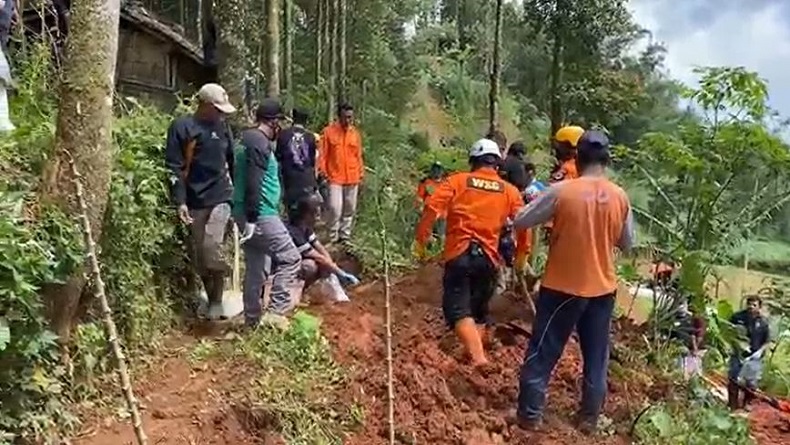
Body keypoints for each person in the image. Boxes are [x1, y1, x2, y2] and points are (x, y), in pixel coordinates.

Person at [512, 130, 634, 434]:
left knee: (543, 352)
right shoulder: (619, 196)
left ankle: (529, 415)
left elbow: (522, 220)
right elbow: (628, 244)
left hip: (562, 286)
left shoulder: (562, 191)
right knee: (596, 356)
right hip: (602, 290)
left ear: (577, 158)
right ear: (606, 160)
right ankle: (589, 418)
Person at [414, 138, 529, 367]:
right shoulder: (510, 191)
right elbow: (525, 222)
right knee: (478, 312)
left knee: (457, 311)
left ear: (473, 161)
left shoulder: (457, 181)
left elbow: (431, 207)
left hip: (460, 254)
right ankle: (477, 350)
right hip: (488, 260)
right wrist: (521, 257)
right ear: (497, 164)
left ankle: (479, 360)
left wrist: (421, 241)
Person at [165, 83, 236, 320]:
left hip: (221, 196)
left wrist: (238, 198)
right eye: (217, 109)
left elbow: (232, 162)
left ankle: (221, 290)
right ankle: (214, 299)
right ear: (204, 105)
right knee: (200, 257)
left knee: (211, 246)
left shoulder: (224, 128)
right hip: (195, 200)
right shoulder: (183, 128)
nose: (221, 114)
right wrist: (181, 201)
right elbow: (174, 167)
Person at [233, 99, 303, 329]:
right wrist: (253, 217)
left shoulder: (246, 140)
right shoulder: (258, 144)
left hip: (248, 212)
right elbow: (254, 180)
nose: (280, 128)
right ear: (273, 122)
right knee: (291, 257)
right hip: (260, 213)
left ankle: (251, 320)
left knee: (256, 267)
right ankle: (275, 312)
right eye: (279, 123)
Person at [285, 195, 360, 291]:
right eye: (316, 214)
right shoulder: (294, 231)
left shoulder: (306, 227)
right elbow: (317, 256)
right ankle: (301, 289)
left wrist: (331, 266)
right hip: (286, 265)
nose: (318, 218)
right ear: (307, 215)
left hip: (299, 258)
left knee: (326, 263)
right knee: (310, 266)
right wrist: (339, 273)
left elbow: (319, 247)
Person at [319, 102, 364, 245]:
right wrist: (322, 170)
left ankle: (345, 236)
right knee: (335, 207)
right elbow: (323, 154)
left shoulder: (355, 134)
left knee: (350, 207)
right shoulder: (328, 132)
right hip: (335, 176)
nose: (348, 120)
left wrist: (360, 172)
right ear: (339, 117)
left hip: (352, 176)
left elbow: (358, 155)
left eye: (350, 117)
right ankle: (332, 235)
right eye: (345, 117)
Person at [727, 295, 771, 410]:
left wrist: (760, 351)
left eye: (754, 305)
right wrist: (731, 346)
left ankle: (747, 403)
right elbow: (727, 331)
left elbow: (767, 341)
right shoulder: (737, 317)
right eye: (749, 304)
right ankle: (732, 405)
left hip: (754, 356)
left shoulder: (763, 322)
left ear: (759, 307)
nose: (751, 307)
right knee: (733, 379)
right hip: (738, 353)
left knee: (750, 382)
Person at [276, 107, 320, 213]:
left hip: (289, 179)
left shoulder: (283, 135)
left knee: (292, 210)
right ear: (306, 121)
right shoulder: (311, 137)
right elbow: (312, 159)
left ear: (293, 118)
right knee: (306, 212)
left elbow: (278, 156)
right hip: (307, 179)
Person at [416, 161, 448, 244]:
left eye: (439, 169)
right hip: (428, 213)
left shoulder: (447, 184)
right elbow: (419, 197)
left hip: (442, 215)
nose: (436, 172)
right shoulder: (425, 182)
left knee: (441, 238)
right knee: (425, 237)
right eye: (435, 169)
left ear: (442, 171)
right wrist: (419, 208)